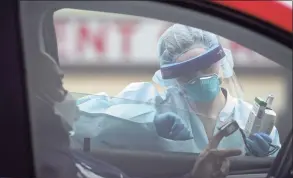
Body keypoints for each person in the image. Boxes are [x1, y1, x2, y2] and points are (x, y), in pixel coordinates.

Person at [33, 51, 242, 178]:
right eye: (59, 86)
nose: (67, 95)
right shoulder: (55, 167)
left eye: (207, 68)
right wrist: (148, 123)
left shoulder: (71, 158)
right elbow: (90, 118)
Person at [72, 24, 280, 157]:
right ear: (173, 79)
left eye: (207, 67)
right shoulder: (155, 105)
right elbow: (78, 118)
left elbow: (279, 177)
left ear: (221, 63)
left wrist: (266, 156)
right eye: (187, 74)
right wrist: (144, 123)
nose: (199, 78)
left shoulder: (253, 120)